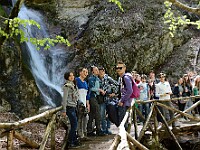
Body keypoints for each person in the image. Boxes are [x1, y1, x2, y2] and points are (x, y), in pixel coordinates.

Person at [61, 71, 81, 148]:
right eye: (70, 76)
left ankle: (75, 141)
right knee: (74, 125)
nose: (72, 77)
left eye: (73, 75)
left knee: (74, 125)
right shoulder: (66, 86)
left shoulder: (74, 85)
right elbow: (64, 99)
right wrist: (64, 110)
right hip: (69, 108)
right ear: (67, 77)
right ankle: (70, 142)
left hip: (74, 106)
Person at [98, 66, 119, 134]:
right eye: (100, 71)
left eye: (102, 71)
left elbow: (117, 84)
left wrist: (114, 93)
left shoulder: (108, 78)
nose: (101, 73)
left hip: (109, 98)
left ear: (104, 72)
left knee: (109, 114)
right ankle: (104, 129)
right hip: (101, 99)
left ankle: (108, 129)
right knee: (102, 115)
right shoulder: (97, 79)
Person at [87, 66, 105, 136]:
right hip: (92, 97)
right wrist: (100, 90)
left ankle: (89, 130)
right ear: (92, 72)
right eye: (96, 70)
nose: (98, 71)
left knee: (92, 114)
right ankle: (98, 130)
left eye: (97, 70)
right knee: (97, 113)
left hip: (96, 97)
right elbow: (91, 88)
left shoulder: (97, 79)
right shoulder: (91, 78)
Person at [116, 61, 133, 129]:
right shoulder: (121, 78)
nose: (118, 69)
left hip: (124, 103)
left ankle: (124, 138)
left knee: (123, 122)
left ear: (124, 68)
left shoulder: (125, 78)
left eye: (120, 68)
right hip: (125, 102)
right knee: (123, 122)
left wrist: (122, 100)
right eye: (117, 68)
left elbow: (130, 90)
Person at [75, 67, 90, 141]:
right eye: (84, 71)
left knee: (85, 118)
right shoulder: (76, 80)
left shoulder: (85, 83)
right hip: (78, 103)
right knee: (79, 119)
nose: (85, 73)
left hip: (84, 103)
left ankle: (84, 133)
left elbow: (87, 95)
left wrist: (88, 104)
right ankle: (80, 135)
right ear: (80, 72)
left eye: (87, 72)